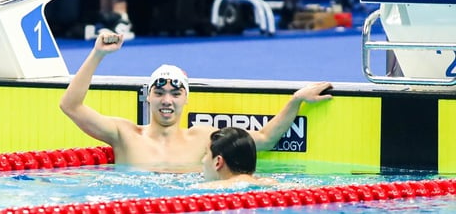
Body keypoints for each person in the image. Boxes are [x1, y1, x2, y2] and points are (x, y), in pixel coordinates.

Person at [59, 32, 333, 171]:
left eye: (176, 93)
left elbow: (263, 138)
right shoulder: (124, 134)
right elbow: (70, 106)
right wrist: (97, 54)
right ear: (148, 96)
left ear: (186, 98)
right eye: (160, 92)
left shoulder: (204, 137)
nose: (167, 100)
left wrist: (296, 100)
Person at [196, 127, 277, 189]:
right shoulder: (269, 183)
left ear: (218, 162)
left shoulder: (207, 187)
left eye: (206, 153)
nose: (203, 160)